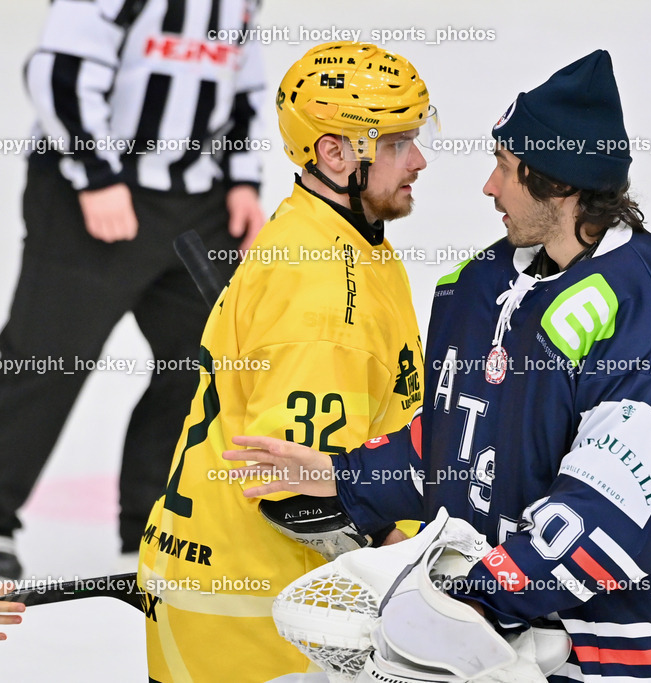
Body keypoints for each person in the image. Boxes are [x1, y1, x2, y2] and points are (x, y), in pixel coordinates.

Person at [227, 50, 651, 682]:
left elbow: (612, 509)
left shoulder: (642, 312)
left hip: (628, 657)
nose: (488, 187)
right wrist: (345, 476)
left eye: (506, 167)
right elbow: (462, 437)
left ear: (559, 181)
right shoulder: (486, 285)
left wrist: (470, 595)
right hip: (499, 643)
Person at [137, 41, 435, 682]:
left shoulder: (332, 234)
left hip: (256, 592)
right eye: (395, 143)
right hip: (265, 618)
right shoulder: (324, 293)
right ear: (333, 152)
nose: (418, 159)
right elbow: (301, 495)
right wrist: (423, 574)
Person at [0, 0, 267, 580]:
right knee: (48, 355)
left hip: (198, 199)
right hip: (90, 191)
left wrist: (243, 178)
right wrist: (98, 176)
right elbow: (58, 72)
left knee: (206, 358)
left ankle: (156, 516)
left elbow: (241, 81)